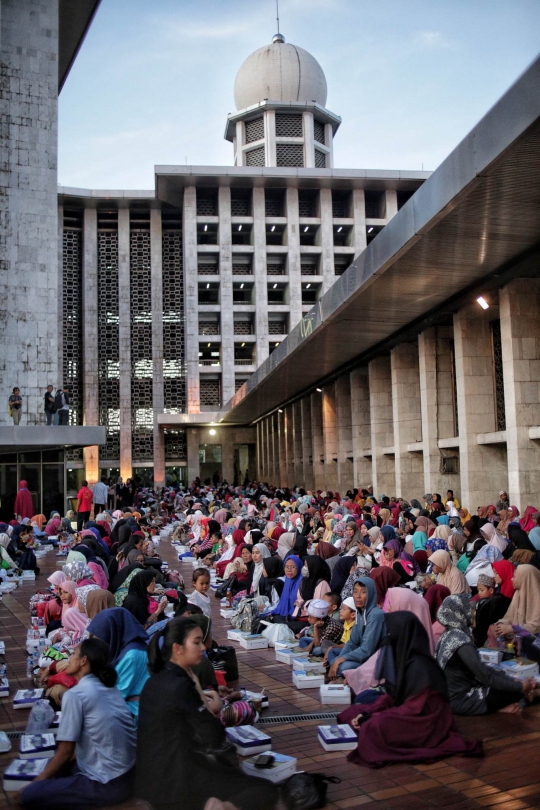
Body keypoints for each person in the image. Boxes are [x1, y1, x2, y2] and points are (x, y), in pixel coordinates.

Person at [135, 618, 279, 810]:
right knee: (264, 790)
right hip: (177, 785)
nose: (203, 647)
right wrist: (215, 709)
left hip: (150, 781)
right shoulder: (181, 685)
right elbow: (214, 736)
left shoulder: (154, 682)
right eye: (196, 642)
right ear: (178, 648)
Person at [337, 612, 483, 766]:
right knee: (353, 712)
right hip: (407, 711)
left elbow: (413, 708)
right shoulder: (403, 658)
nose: (387, 636)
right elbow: (393, 696)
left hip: (426, 722)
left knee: (373, 727)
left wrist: (372, 718)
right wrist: (368, 712)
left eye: (390, 632)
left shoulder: (421, 666)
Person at [20, 638, 136, 810]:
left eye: (73, 654)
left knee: (30, 795)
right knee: (56, 768)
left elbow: (66, 751)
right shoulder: (110, 687)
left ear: (83, 661)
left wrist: (35, 784)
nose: (70, 660)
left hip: (108, 783)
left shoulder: (76, 695)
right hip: (129, 775)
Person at [436, 594, 535, 714]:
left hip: (449, 696)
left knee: (508, 682)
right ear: (461, 612)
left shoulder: (446, 636)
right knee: (512, 691)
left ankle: (513, 700)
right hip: (461, 700)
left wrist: (511, 681)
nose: (473, 614)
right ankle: (527, 694)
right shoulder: (460, 641)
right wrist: (520, 687)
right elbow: (485, 675)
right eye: (470, 610)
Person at [87, 608, 149, 724]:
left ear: (113, 632)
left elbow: (117, 694)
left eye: (100, 637)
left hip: (135, 713)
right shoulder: (122, 648)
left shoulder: (132, 655)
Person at [326, 577, 385, 679]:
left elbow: (367, 650)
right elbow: (352, 642)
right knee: (333, 653)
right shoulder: (360, 613)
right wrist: (338, 659)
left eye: (363, 592)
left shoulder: (375, 615)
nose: (358, 596)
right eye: (355, 592)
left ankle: (339, 673)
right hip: (361, 656)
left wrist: (340, 660)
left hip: (373, 661)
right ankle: (338, 672)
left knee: (343, 666)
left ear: (370, 594)